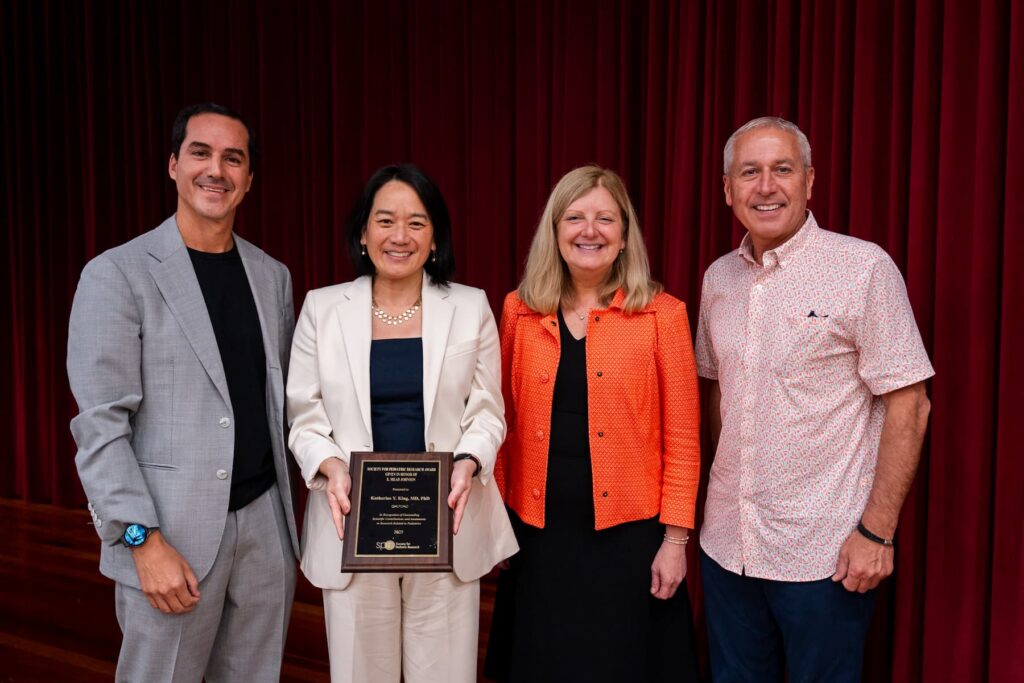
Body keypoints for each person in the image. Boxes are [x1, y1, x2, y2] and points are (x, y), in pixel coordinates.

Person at [695, 116, 934, 682]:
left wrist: (876, 532)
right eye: (749, 172)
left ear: (810, 181)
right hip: (728, 548)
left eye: (782, 170)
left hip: (825, 556)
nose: (766, 186)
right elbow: (717, 396)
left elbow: (911, 404)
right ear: (728, 190)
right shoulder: (718, 279)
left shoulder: (863, 268)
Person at [67, 102, 299, 682]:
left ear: (248, 179)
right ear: (173, 165)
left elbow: (281, 405)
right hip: (169, 538)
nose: (215, 170)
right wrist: (141, 539)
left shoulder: (272, 277)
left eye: (232, 158)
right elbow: (100, 427)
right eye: (200, 153)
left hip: (266, 531)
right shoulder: (116, 273)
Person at [286, 164, 517, 683]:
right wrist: (328, 465)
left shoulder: (469, 305)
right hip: (352, 522)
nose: (399, 235)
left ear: (435, 237)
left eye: (416, 222)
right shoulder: (322, 309)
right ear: (363, 233)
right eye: (385, 220)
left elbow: (487, 410)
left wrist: (468, 460)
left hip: (446, 523)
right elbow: (303, 414)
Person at [486, 165, 701, 682]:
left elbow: (683, 437)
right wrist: (492, 527)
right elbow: (500, 423)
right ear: (555, 231)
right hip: (537, 536)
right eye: (576, 217)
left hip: (629, 543)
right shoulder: (518, 310)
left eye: (606, 218)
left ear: (624, 235)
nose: (590, 230)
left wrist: (675, 542)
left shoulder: (663, 315)